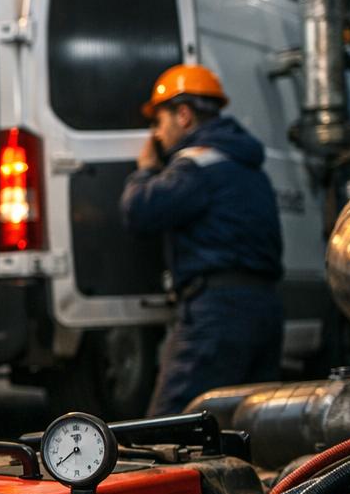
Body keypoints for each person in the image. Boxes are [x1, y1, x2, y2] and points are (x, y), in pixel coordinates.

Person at [121, 63, 284, 417]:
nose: (156, 134)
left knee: (167, 428)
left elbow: (139, 211)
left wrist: (146, 169)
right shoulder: (245, 162)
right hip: (266, 308)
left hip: (217, 314)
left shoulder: (195, 165)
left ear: (183, 115)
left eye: (159, 121)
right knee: (243, 429)